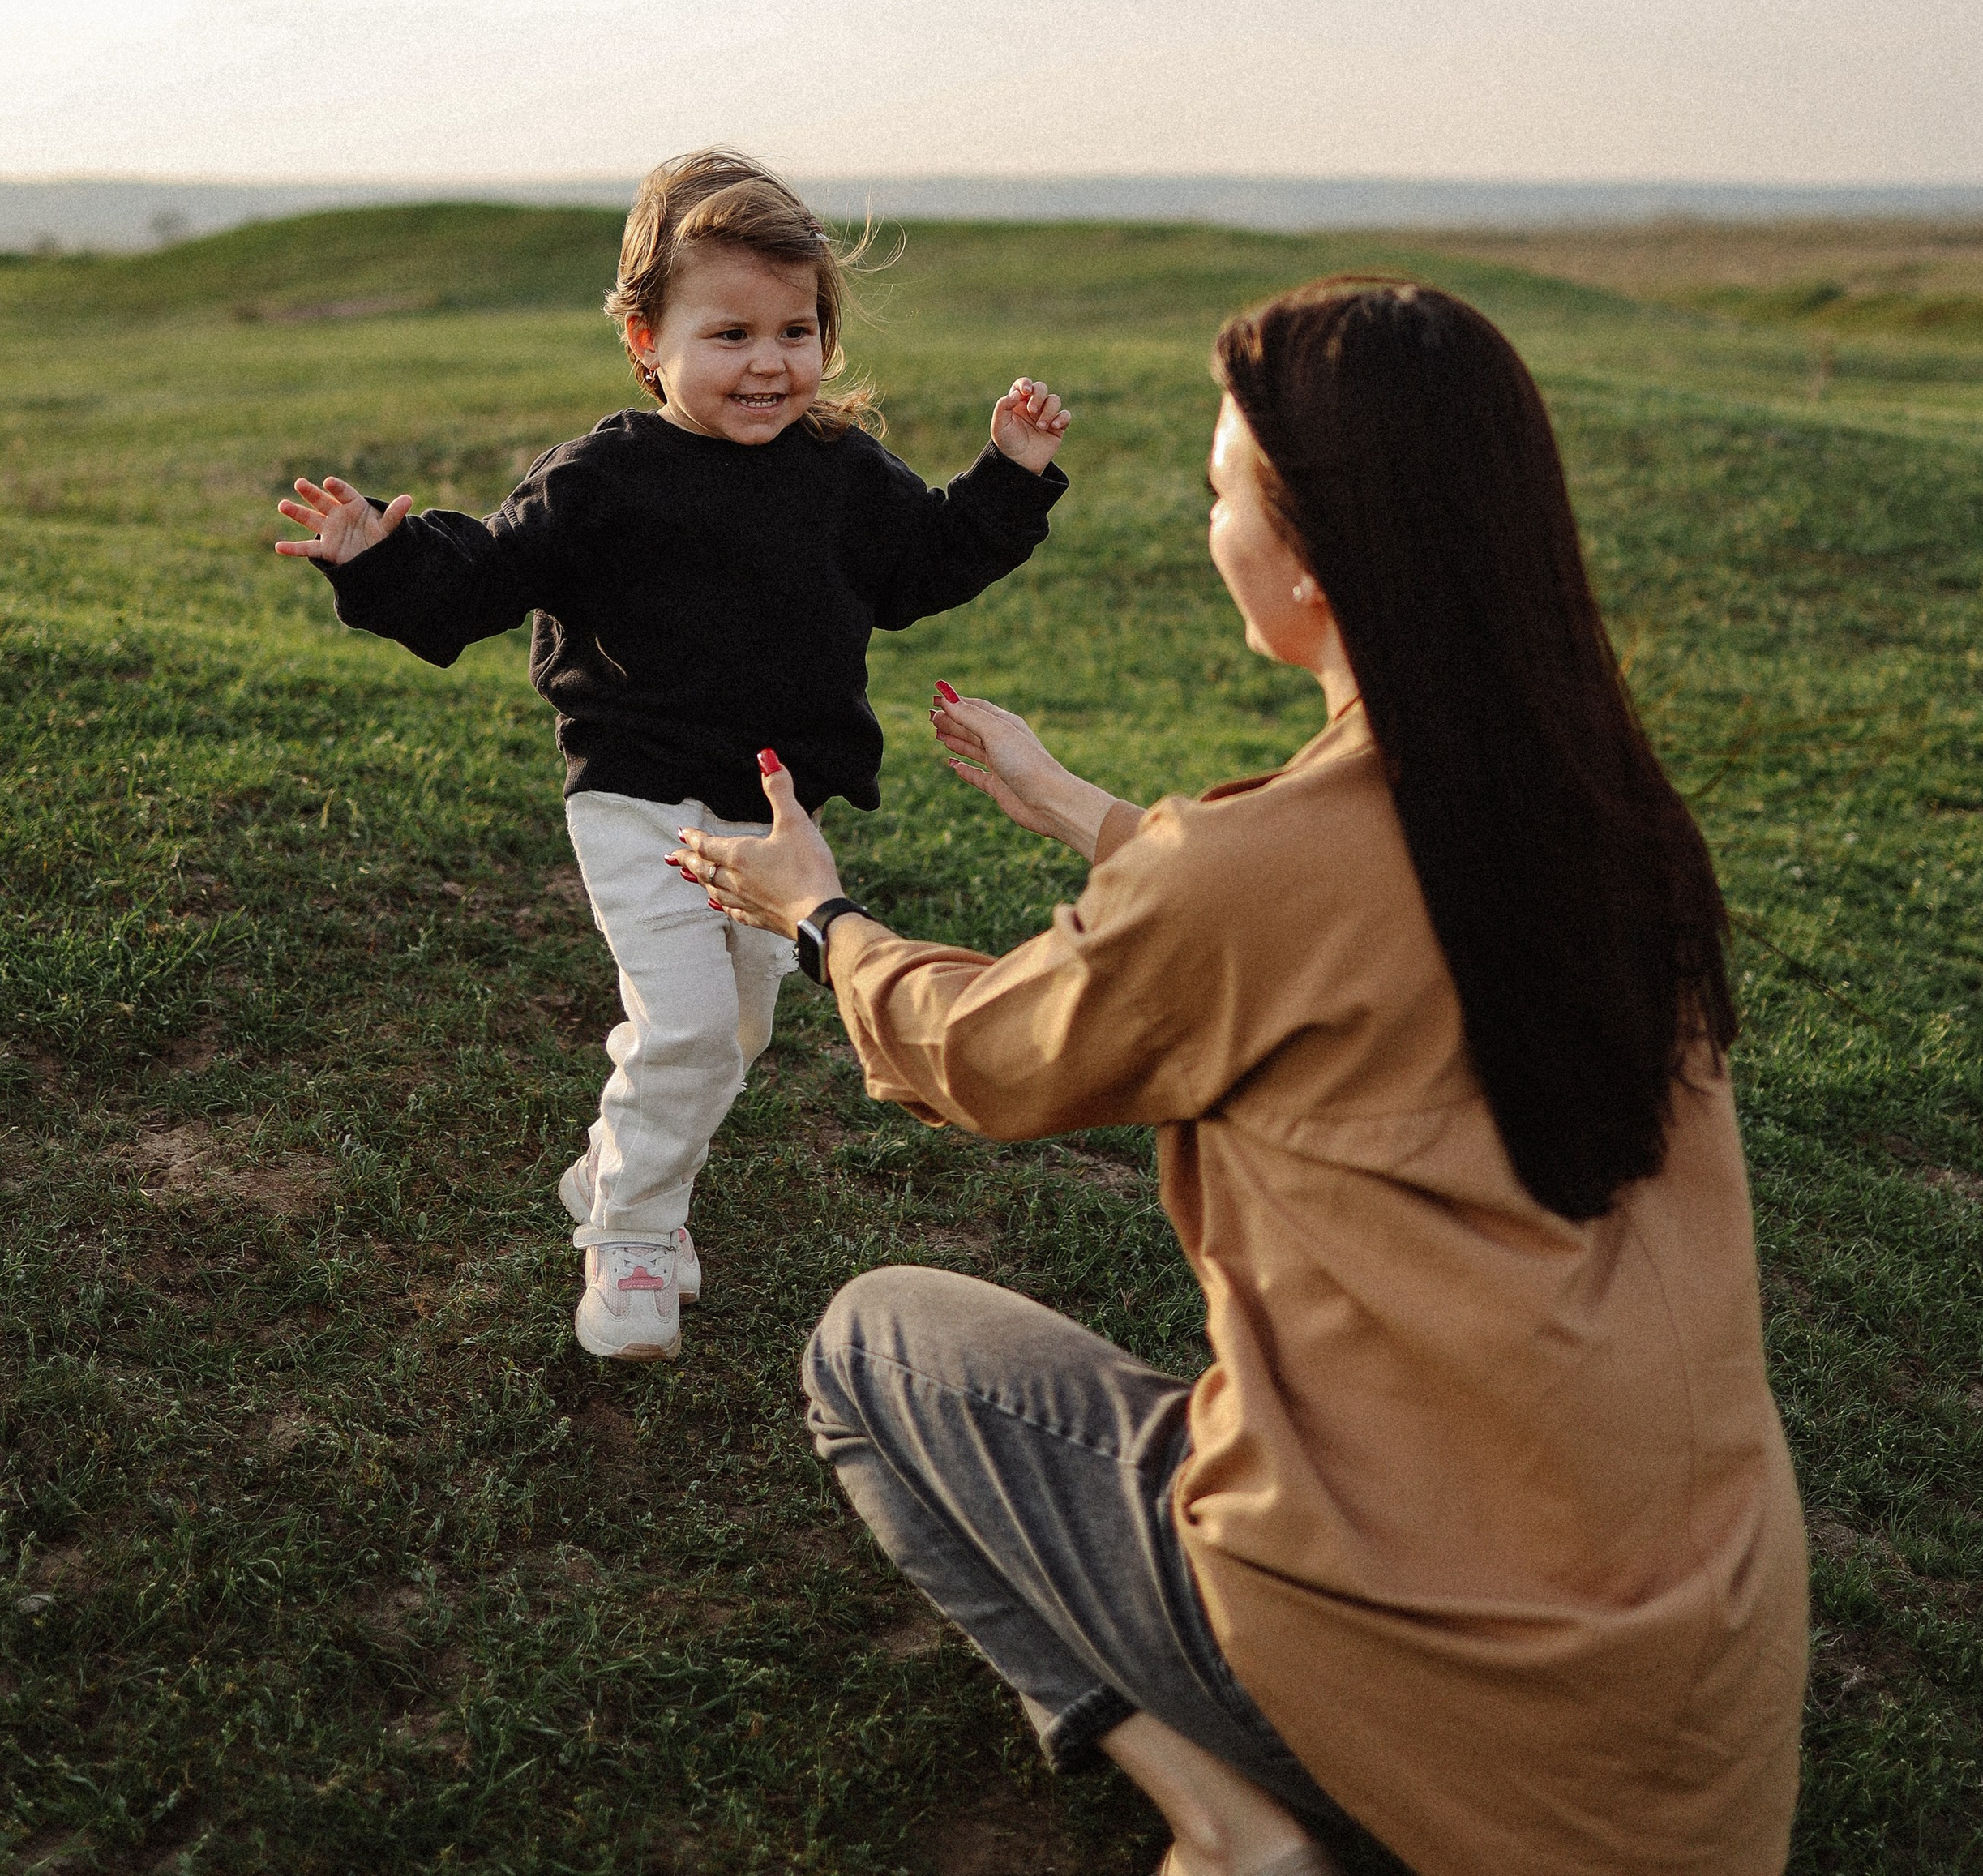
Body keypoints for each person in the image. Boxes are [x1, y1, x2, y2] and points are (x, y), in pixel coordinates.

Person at [676, 277, 1809, 1876]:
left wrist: (819, 916)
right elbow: (1350, 943)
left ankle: (1228, 1823)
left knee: (873, 1352)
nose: (1211, 526)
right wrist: (1084, 811)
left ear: (1306, 559)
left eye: (1221, 493)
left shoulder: (1261, 875)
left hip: (1429, 1688)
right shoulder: (1597, 808)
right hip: (1688, 1702)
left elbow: (983, 1055)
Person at [272, 149, 1071, 1364]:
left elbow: (922, 564)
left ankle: (604, 1170)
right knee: (689, 1024)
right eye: (731, 331)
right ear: (647, 339)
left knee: (736, 1032)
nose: (770, 361)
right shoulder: (605, 479)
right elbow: (484, 574)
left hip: (771, 815)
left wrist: (1008, 478)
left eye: (796, 329)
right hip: (637, 798)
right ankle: (635, 1239)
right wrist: (377, 560)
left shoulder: (839, 471)